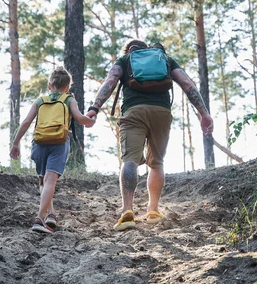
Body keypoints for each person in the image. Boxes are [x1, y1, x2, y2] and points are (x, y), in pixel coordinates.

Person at [85, 39, 214, 231]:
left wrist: (94, 108)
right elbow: (187, 84)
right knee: (157, 162)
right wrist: (204, 113)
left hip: (134, 112)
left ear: (129, 50)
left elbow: (110, 81)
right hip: (161, 113)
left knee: (130, 161)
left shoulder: (124, 60)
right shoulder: (165, 60)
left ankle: (127, 212)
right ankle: (153, 210)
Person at [10, 66, 96, 234]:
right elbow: (80, 119)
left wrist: (15, 143)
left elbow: (27, 122)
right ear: (67, 87)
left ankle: (50, 215)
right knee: (50, 181)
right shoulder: (69, 99)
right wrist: (91, 120)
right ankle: (40, 218)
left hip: (39, 142)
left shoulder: (40, 100)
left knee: (43, 182)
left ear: (50, 85)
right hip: (59, 142)